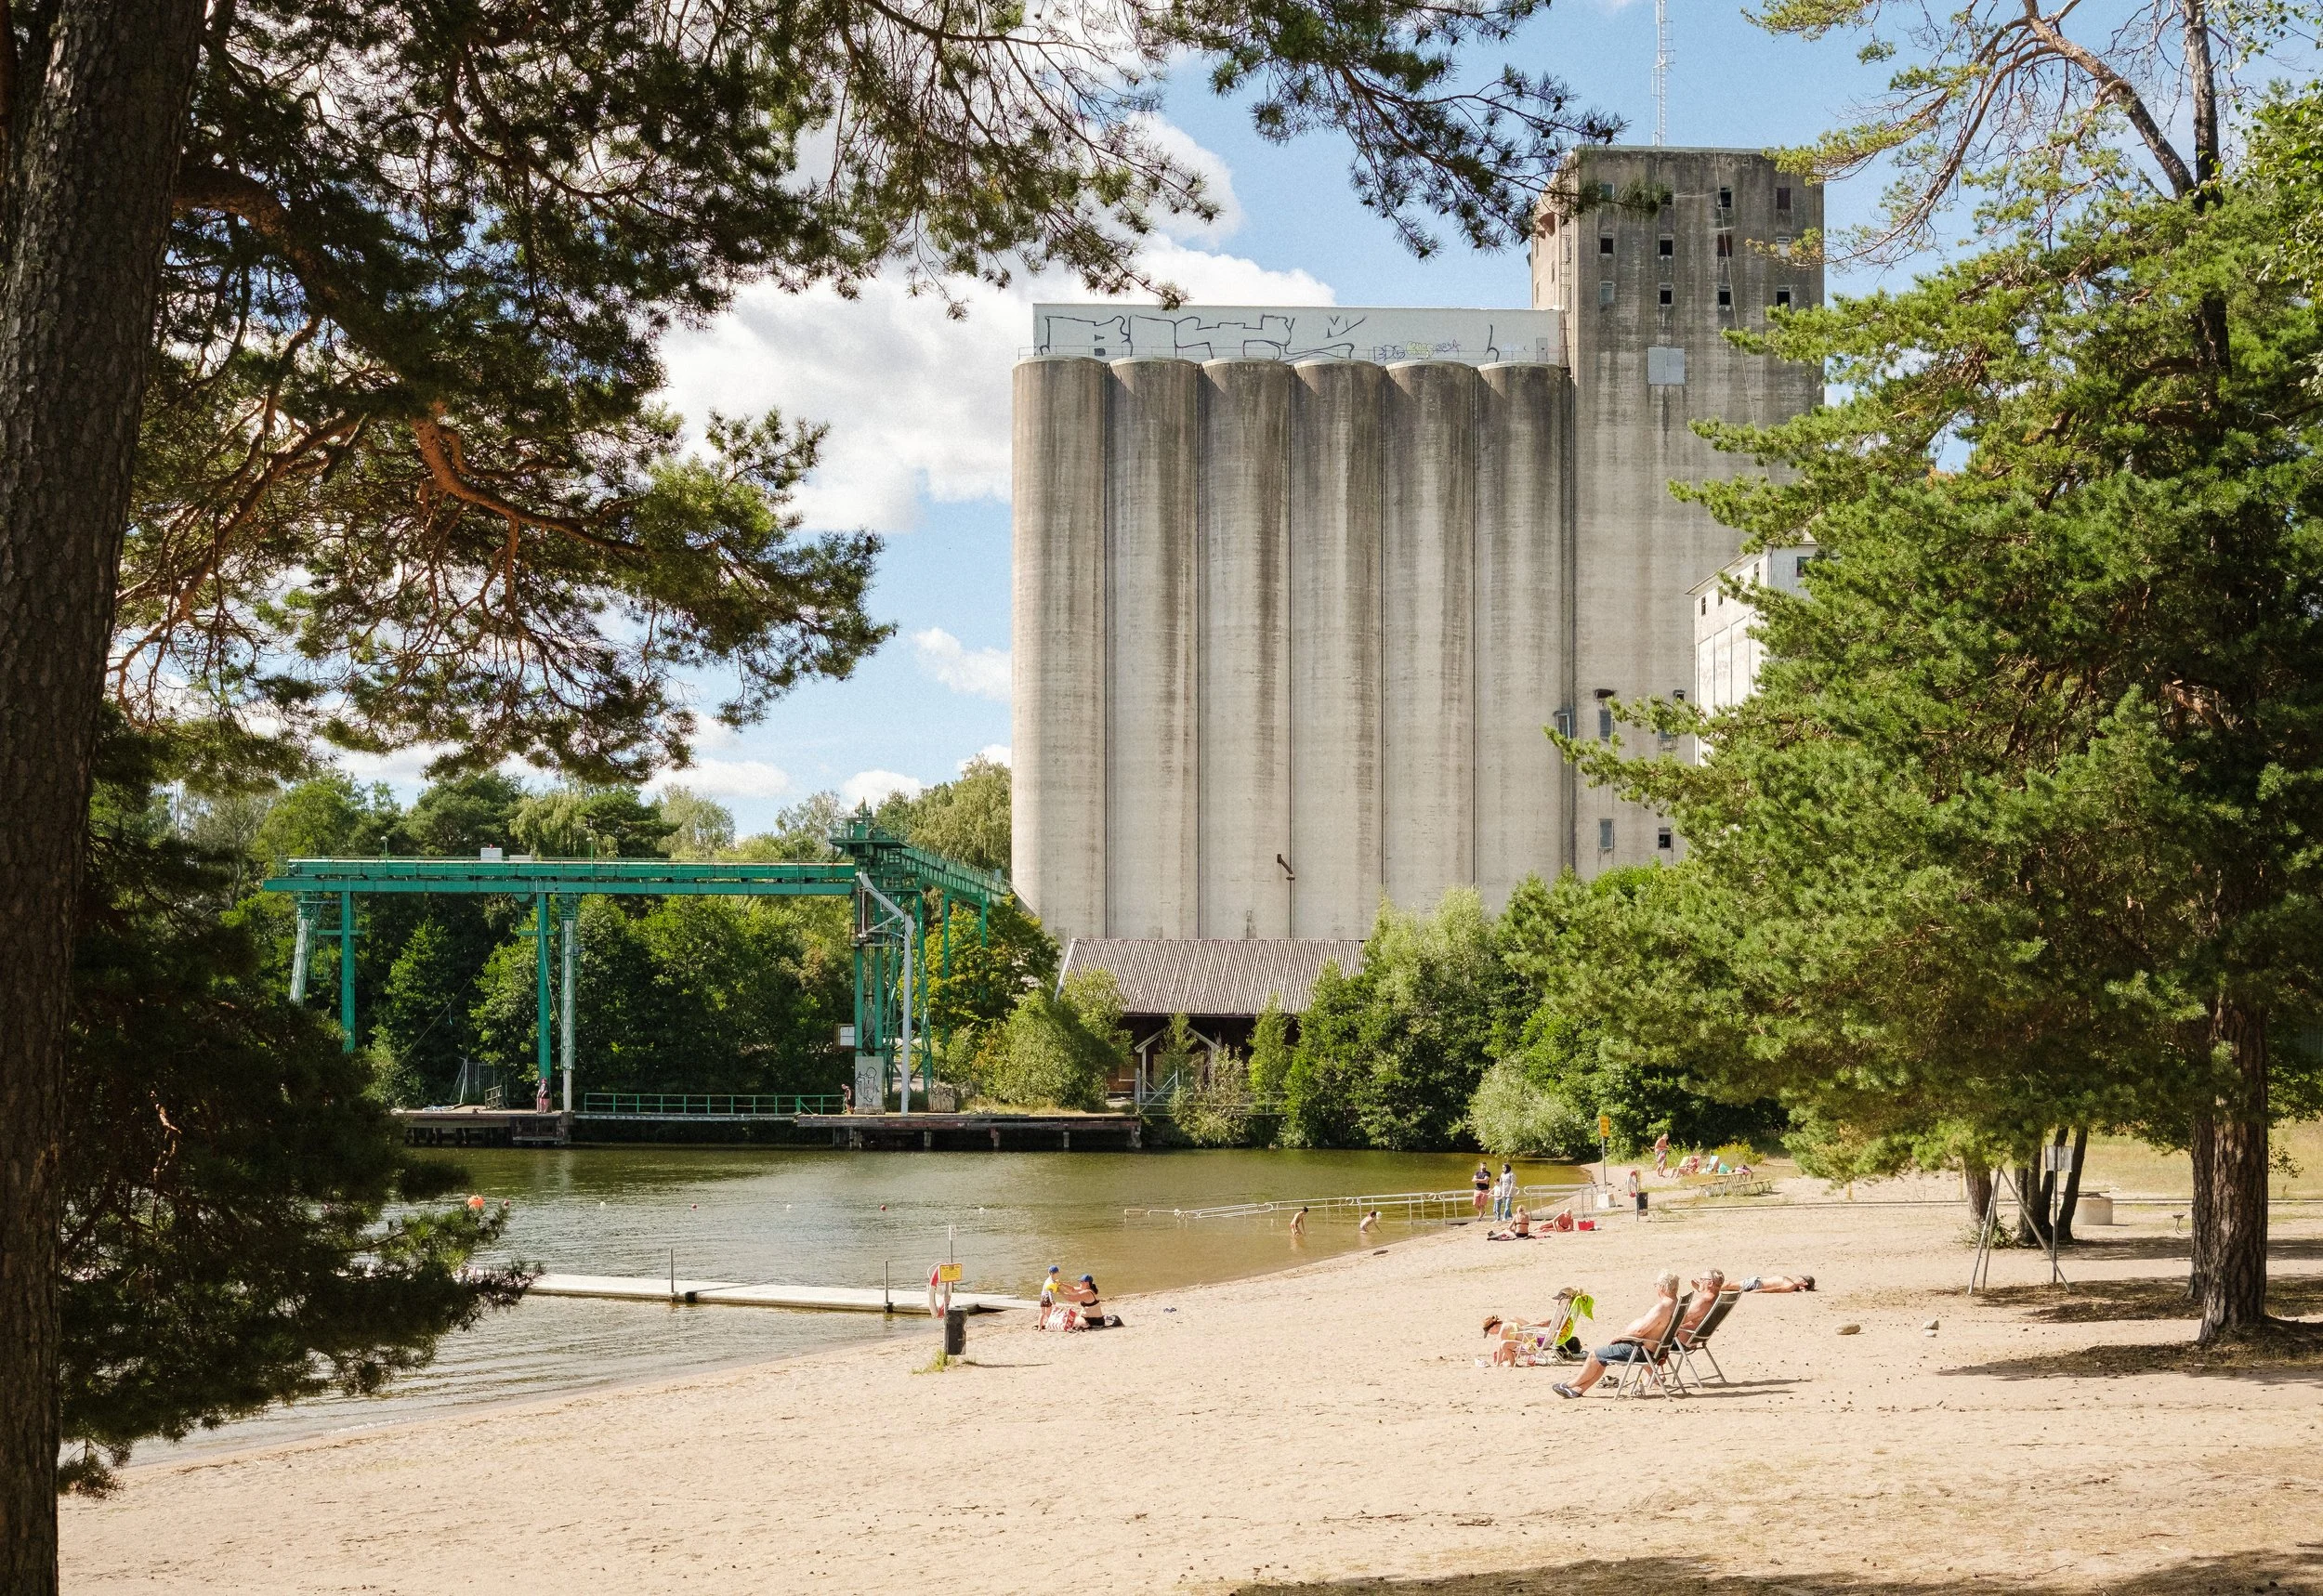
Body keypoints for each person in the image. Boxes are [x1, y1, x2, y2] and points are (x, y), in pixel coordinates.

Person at [1553, 1271, 1682, 1398]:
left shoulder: (1662, 1307)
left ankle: (1569, 1384)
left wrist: (1620, 1337)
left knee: (1594, 1356)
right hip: (1656, 1350)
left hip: (1641, 1351)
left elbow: (1639, 1332)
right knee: (1602, 1359)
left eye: (1656, 1285)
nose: (1656, 1288)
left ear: (1663, 1287)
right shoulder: (1678, 1305)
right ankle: (1577, 1390)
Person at [1739, 1273, 1815, 1293]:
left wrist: (1759, 1291)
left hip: (1756, 1284)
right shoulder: (1792, 1284)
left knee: (1729, 1285)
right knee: (1729, 1285)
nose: (1799, 1278)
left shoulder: (1791, 1286)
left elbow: (1777, 1289)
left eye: (1801, 1278)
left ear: (1805, 1283)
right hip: (1757, 1281)